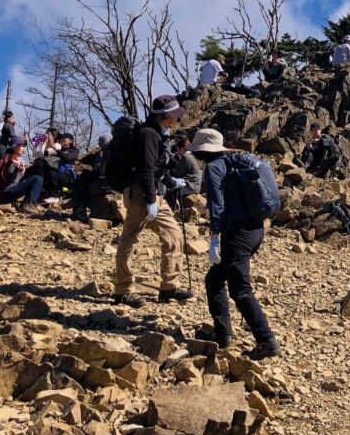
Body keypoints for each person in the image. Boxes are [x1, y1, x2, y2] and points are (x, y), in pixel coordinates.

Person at [192, 128, 280, 360]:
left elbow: (216, 204)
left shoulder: (214, 167)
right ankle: (223, 335)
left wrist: (213, 238)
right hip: (256, 230)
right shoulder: (235, 162)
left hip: (238, 234)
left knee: (240, 289)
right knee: (214, 279)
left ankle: (266, 340)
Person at [113, 95, 192, 308]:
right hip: (142, 194)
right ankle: (123, 290)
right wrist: (150, 201)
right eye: (174, 116)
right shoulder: (148, 134)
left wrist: (171, 181)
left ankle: (169, 286)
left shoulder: (158, 133)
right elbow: (145, 169)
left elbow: (157, 168)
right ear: (166, 117)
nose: (176, 120)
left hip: (154, 193)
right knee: (130, 239)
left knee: (173, 235)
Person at [0, 142, 44, 215]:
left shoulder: (13, 159)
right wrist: (15, 166)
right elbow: (8, 174)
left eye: (24, 146)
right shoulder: (11, 159)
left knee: (34, 177)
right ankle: (27, 204)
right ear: (14, 147)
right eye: (21, 146)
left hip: (6, 192)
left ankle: (27, 202)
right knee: (38, 179)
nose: (23, 149)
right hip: (6, 192)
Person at [166, 131, 202, 209]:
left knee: (170, 191)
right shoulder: (191, 155)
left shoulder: (185, 157)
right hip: (196, 184)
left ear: (181, 148)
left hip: (191, 185)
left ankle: (173, 209)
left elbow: (178, 173)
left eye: (178, 149)